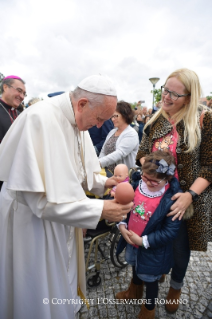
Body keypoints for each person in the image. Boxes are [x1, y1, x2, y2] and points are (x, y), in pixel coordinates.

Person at [0, 74, 133, 319]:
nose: (98, 126)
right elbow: (40, 200)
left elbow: (80, 171)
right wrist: (100, 210)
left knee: (61, 274)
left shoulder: (78, 121)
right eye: (100, 118)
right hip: (31, 224)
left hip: (59, 218)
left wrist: (106, 182)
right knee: (36, 286)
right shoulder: (39, 119)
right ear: (82, 103)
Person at [136, 68, 212, 314]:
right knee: (151, 241)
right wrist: (151, 173)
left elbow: (210, 166)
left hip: (185, 199)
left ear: (189, 98)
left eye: (174, 94)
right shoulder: (157, 119)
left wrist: (190, 195)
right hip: (153, 195)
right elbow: (140, 155)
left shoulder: (204, 119)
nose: (166, 97)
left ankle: (176, 288)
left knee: (180, 250)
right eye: (165, 90)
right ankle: (151, 276)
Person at [116, 150, 181, 319]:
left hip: (153, 250)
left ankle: (148, 310)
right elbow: (126, 208)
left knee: (151, 279)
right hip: (132, 242)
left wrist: (144, 240)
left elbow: (170, 231)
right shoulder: (138, 184)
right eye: (145, 177)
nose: (148, 182)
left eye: (154, 181)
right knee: (135, 267)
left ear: (167, 179)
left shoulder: (171, 199)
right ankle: (134, 292)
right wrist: (122, 224)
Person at [0, 75, 26, 190]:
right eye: (19, 91)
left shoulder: (19, 115)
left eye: (24, 94)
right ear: (5, 87)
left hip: (12, 176)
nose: (21, 96)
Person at [99, 101, 139, 173]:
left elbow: (119, 153)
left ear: (125, 115)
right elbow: (103, 151)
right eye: (112, 116)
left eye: (116, 116)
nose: (113, 119)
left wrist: (100, 163)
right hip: (108, 175)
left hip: (123, 177)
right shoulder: (112, 132)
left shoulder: (131, 134)